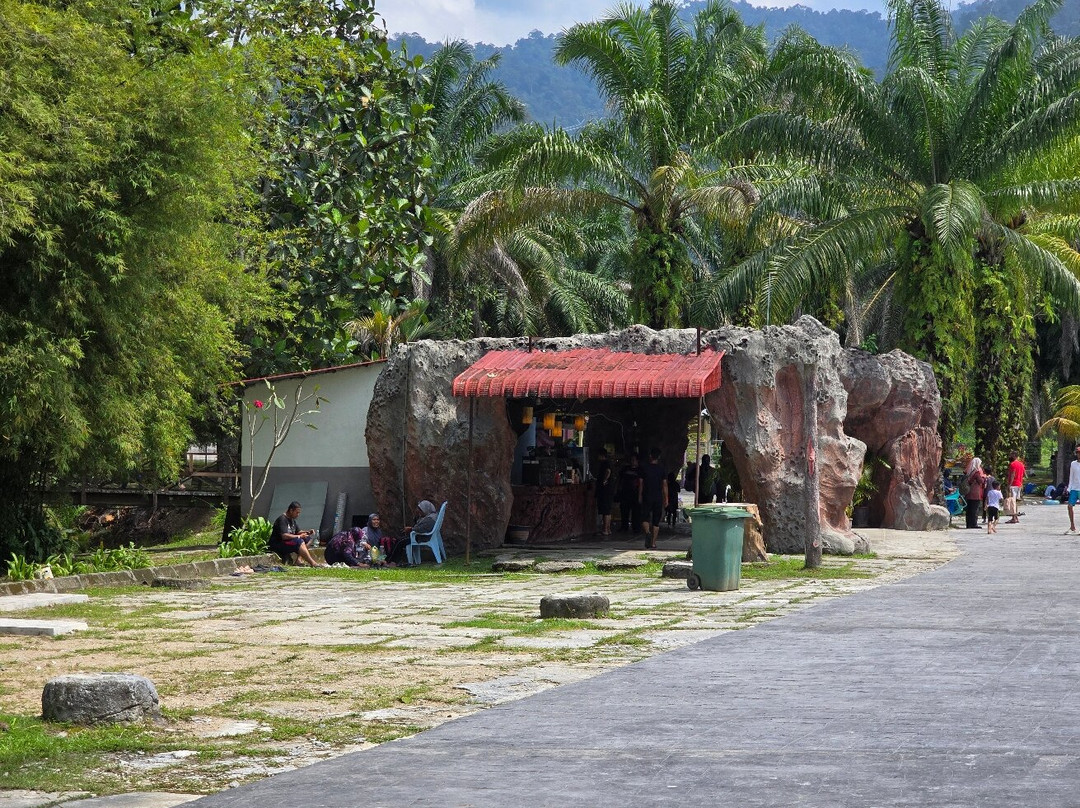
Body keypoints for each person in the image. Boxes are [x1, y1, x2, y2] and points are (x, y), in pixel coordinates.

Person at [269, 501, 323, 567]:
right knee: (299, 541)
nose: (298, 515)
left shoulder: (292, 520)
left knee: (308, 539)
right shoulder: (282, 519)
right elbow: (284, 536)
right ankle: (313, 563)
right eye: (297, 512)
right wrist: (299, 536)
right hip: (279, 543)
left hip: (289, 541)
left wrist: (308, 532)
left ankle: (298, 560)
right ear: (291, 510)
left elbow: (298, 531)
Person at [639, 447, 668, 549]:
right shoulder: (662, 469)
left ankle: (647, 533)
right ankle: (653, 543)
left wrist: (640, 495)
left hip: (647, 495)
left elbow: (641, 483)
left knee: (644, 517)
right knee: (656, 521)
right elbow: (664, 485)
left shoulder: (644, 468)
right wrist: (666, 499)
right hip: (658, 496)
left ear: (650, 456)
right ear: (659, 457)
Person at [618, 454, 642, 532]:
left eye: (634, 460)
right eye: (631, 459)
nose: (632, 461)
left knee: (636, 512)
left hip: (635, 494)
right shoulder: (625, 469)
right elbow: (620, 479)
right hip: (625, 493)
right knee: (624, 511)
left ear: (637, 461)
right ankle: (624, 526)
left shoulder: (640, 470)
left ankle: (636, 527)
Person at [594, 448, 615, 536]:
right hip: (609, 490)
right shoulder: (608, 463)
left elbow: (608, 471)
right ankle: (608, 529)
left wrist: (604, 480)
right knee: (608, 510)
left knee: (605, 510)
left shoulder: (605, 464)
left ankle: (605, 529)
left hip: (605, 490)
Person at [963, 458, 987, 530]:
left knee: (969, 509)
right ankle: (974, 523)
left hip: (969, 493)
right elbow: (981, 481)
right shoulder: (976, 473)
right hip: (975, 493)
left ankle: (969, 524)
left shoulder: (969, 472)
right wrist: (984, 477)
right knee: (974, 509)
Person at [1006, 451, 1025, 524]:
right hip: (1019, 484)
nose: (1010, 456)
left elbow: (1013, 475)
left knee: (1012, 501)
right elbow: (1024, 474)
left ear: (1014, 455)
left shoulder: (1012, 464)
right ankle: (1015, 517)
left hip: (1013, 484)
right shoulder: (1021, 464)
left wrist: (1009, 484)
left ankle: (1014, 518)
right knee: (1015, 502)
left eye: (1011, 455)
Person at [1066, 446, 1080, 534]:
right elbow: (1071, 476)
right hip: (1074, 488)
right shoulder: (1073, 463)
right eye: (1078, 453)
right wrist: (1069, 488)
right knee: (1070, 506)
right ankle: (1072, 526)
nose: (1079, 454)